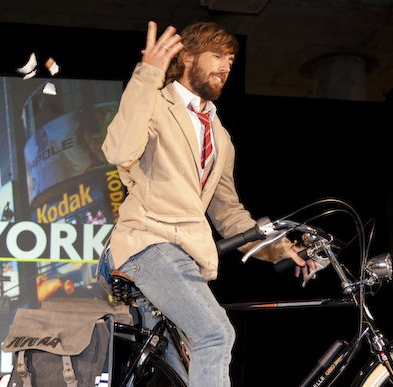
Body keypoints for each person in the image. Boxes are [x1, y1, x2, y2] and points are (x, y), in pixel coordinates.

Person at [100, 20, 314, 386]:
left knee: (181, 375)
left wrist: (278, 249)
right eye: (217, 55)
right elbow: (118, 150)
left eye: (230, 59)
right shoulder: (154, 103)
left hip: (184, 255)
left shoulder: (220, 136)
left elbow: (229, 214)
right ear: (187, 58)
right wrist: (148, 73)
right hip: (148, 244)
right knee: (215, 334)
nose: (226, 66)